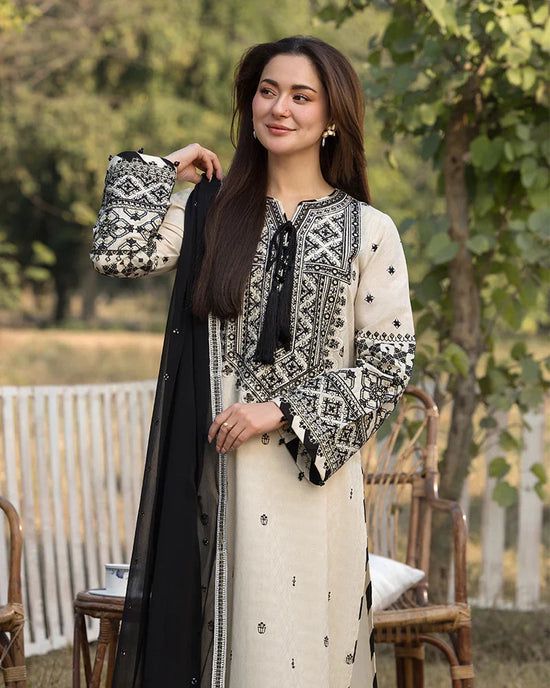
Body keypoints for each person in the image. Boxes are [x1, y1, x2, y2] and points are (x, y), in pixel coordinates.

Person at [90, 34, 415, 688]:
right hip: (220, 473)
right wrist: (163, 169)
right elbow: (116, 254)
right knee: (226, 643)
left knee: (307, 646)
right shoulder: (211, 214)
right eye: (267, 91)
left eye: (301, 96)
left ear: (332, 117)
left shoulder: (368, 229)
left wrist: (283, 410)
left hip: (313, 474)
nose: (279, 108)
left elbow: (389, 362)